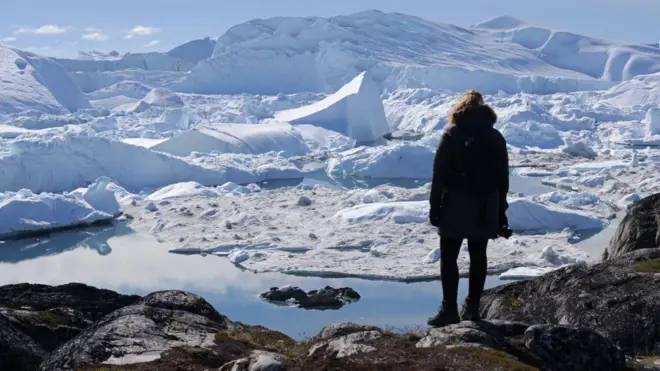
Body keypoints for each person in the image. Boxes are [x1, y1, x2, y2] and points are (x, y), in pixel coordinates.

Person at [427, 90, 510, 327]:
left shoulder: (452, 134)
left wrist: (435, 206)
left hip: (455, 202)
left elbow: (439, 174)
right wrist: (500, 209)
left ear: (460, 108)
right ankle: (473, 308)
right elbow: (503, 177)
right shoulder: (495, 136)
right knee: (478, 256)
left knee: (449, 257)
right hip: (485, 203)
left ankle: (449, 309)